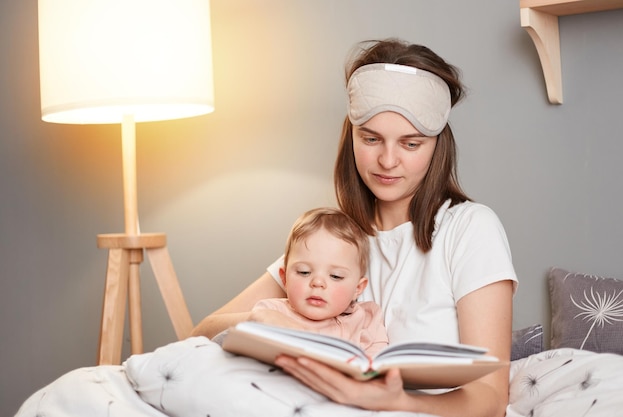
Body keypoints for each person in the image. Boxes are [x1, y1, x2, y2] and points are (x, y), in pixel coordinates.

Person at [191, 38, 518, 417]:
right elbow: (203, 331)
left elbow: (491, 399)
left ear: (437, 146)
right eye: (371, 139)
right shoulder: (335, 240)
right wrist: (272, 319)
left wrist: (397, 402)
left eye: (411, 144)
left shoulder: (471, 229)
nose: (387, 160)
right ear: (351, 136)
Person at [251, 207, 388, 356]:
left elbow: (379, 364)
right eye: (304, 272)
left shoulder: (365, 320)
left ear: (358, 288)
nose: (317, 282)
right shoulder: (271, 312)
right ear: (284, 278)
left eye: (336, 276)